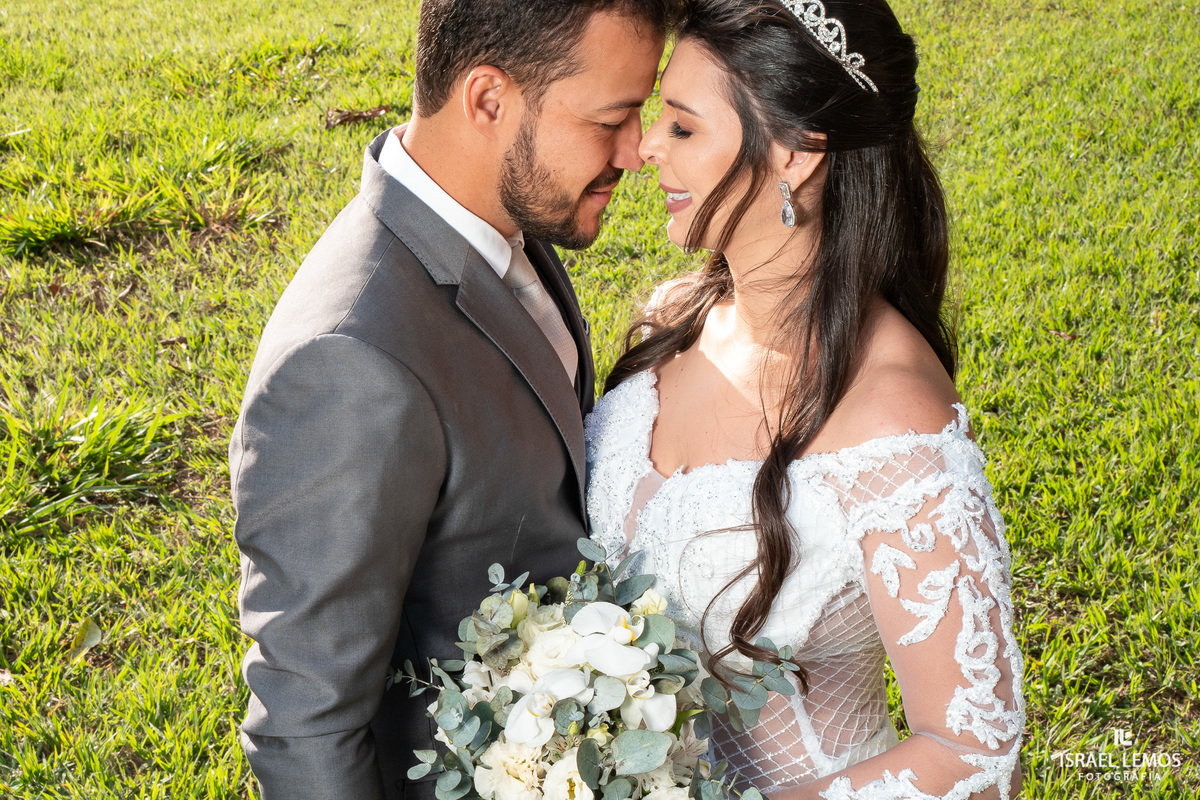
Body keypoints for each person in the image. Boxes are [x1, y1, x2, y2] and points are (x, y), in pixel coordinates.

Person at [229, 2, 672, 798]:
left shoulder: (500, 220)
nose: (637, 150)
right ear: (488, 99)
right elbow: (307, 727)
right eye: (613, 117)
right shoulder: (348, 362)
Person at [584, 0, 1024, 797]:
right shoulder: (670, 322)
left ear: (799, 152)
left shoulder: (894, 420)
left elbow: (976, 754)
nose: (645, 150)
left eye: (683, 128)